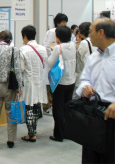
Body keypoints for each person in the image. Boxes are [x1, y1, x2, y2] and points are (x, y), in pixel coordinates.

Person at [76, 18, 115, 164]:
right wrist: (85, 87)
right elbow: (84, 80)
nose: (87, 35)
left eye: (91, 32)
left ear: (101, 33)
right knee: (90, 157)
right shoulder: (93, 57)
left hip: (112, 116)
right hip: (93, 114)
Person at [0, 30, 22, 148]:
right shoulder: (14, 50)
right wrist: (19, 87)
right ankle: (11, 140)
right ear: (10, 40)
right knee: (11, 111)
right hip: (10, 85)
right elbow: (17, 69)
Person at [47, 26, 76, 142]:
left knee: (58, 109)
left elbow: (50, 63)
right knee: (67, 108)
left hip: (60, 82)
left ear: (58, 37)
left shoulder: (58, 48)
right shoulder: (73, 45)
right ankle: (67, 132)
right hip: (71, 80)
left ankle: (58, 134)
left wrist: (52, 50)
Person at [19, 25, 48, 142]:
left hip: (28, 81)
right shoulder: (42, 48)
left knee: (29, 107)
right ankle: (34, 130)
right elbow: (45, 64)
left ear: (25, 36)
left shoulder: (23, 50)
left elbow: (21, 68)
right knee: (36, 105)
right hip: (39, 81)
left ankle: (31, 134)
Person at [43, 13, 68, 114]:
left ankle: (54, 105)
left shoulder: (66, 32)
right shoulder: (51, 32)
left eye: (66, 22)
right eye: (63, 22)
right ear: (57, 23)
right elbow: (47, 46)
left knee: (58, 84)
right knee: (50, 84)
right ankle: (47, 106)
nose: (65, 24)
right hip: (52, 61)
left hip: (61, 62)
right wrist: (53, 52)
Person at [73, 22, 97, 99]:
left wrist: (77, 45)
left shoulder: (84, 43)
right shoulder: (94, 41)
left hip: (84, 72)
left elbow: (78, 56)